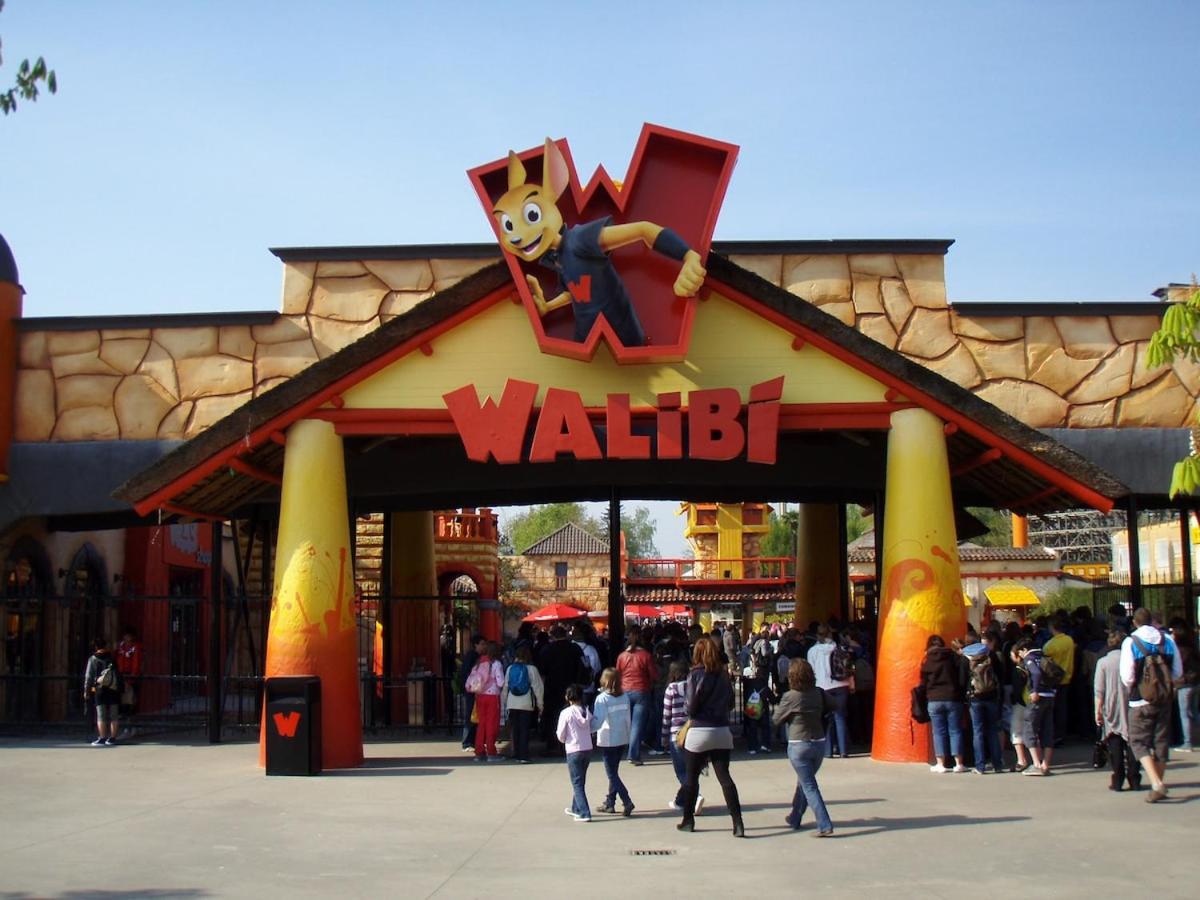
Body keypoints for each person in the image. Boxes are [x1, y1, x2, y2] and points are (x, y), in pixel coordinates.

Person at [676, 636, 745, 837]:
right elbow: (731, 704)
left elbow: (690, 707)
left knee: (691, 779)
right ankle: (738, 822)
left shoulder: (695, 674)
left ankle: (688, 820)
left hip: (699, 729)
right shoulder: (723, 675)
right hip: (722, 730)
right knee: (725, 778)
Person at [1120, 608, 1183, 802]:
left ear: (1135, 622)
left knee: (1138, 741)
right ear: (1152, 621)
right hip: (1164, 699)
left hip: (1140, 700)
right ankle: (1159, 783)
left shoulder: (1131, 642)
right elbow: (1178, 672)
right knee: (1161, 741)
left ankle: (1156, 783)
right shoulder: (1168, 640)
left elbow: (1127, 676)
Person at [773, 658, 833, 836]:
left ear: (792, 677)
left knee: (809, 785)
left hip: (799, 743)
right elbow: (836, 705)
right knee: (804, 781)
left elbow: (776, 720)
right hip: (819, 742)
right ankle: (795, 817)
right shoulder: (819, 693)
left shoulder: (790, 697)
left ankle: (824, 824)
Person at [1094, 629, 1139, 791]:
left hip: (1111, 705)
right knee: (1133, 742)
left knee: (1114, 742)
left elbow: (1099, 690)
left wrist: (1097, 711)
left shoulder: (1103, 662)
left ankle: (1118, 779)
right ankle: (1134, 778)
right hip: (1131, 703)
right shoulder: (1132, 659)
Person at [920, 634, 966, 773]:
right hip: (953, 698)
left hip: (934, 699)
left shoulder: (927, 660)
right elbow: (961, 676)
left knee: (938, 732)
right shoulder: (953, 657)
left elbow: (923, 681)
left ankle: (941, 764)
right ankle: (959, 763)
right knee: (955, 731)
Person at [592, 668, 635, 816]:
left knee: (611, 774)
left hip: (609, 739)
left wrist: (587, 730)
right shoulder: (625, 696)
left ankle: (627, 800)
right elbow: (628, 718)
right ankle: (610, 802)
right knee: (614, 772)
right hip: (622, 737)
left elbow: (598, 721)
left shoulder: (602, 698)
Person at [807, 624, 854, 758]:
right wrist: (851, 684)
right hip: (841, 685)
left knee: (827, 719)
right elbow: (849, 667)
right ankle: (843, 750)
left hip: (823, 687)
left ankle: (828, 751)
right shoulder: (839, 648)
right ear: (830, 634)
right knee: (840, 717)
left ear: (817, 635)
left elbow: (811, 671)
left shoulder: (812, 651)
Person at [538, 625, 586, 756]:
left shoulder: (547, 650)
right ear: (566, 634)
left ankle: (553, 745)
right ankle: (572, 743)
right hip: (572, 687)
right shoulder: (575, 648)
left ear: (552, 636)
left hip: (552, 688)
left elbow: (541, 672)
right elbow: (584, 665)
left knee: (552, 717)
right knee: (573, 715)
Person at [615, 626, 658, 765]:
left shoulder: (622, 656)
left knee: (625, 723)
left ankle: (622, 749)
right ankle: (633, 754)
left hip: (625, 690)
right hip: (641, 690)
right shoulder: (646, 655)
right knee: (637, 725)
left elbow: (617, 674)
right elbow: (654, 675)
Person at [662, 659, 700, 814]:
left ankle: (695, 797)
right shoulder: (694, 686)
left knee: (681, 771)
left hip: (676, 733)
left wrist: (664, 737)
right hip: (693, 730)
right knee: (692, 770)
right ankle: (684, 801)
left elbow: (667, 715)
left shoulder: (671, 689)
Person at [1016, 639, 1056, 776]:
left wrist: (1034, 690)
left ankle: (1036, 764)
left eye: (1020, 652)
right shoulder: (1044, 657)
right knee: (1048, 730)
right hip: (1050, 695)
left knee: (1030, 729)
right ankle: (1045, 765)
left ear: (1024, 649)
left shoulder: (1030, 658)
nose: (1020, 656)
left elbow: (1036, 673)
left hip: (1038, 698)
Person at [964, 635, 1003, 774]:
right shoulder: (991, 656)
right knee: (992, 730)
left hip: (975, 698)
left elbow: (963, 679)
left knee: (978, 731)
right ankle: (997, 764)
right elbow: (1000, 676)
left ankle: (980, 766)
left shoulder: (966, 658)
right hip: (992, 697)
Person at [556, 684, 594, 822]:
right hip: (587, 748)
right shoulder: (586, 711)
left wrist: (564, 740)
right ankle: (575, 808)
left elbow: (561, 734)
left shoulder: (566, 713)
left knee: (577, 783)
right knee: (580, 781)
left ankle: (585, 813)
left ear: (568, 697)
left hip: (573, 749)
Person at [502, 645, 544, 763]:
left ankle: (515, 752)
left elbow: (505, 687)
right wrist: (540, 704)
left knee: (515, 729)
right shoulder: (532, 669)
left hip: (512, 702)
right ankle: (523, 755)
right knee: (524, 729)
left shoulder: (510, 668)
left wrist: (505, 702)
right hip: (526, 703)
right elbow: (538, 688)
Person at [467, 641, 505, 762]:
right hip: (492, 696)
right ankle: (491, 752)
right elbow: (500, 682)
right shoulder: (496, 664)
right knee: (491, 724)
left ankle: (479, 752)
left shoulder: (479, 662)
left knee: (481, 724)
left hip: (480, 695)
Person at [1043, 616, 1076, 745]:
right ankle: (1062, 734)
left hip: (1053, 679)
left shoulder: (1049, 645)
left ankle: (1054, 734)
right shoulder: (1069, 640)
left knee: (1053, 709)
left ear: (1051, 627)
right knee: (1063, 708)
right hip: (1067, 677)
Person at [83, 637, 122, 746]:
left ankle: (102, 738)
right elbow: (118, 673)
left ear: (95, 647)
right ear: (105, 646)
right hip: (113, 688)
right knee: (114, 715)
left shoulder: (93, 659)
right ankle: (113, 738)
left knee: (101, 715)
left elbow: (88, 677)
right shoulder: (112, 658)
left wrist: (86, 691)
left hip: (99, 689)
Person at [1169, 622, 1199, 752]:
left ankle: (1187, 743)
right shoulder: (1192, 648)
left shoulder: (1179, 651)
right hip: (1195, 682)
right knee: (1194, 713)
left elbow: (1177, 668)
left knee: (1185, 714)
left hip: (1184, 684)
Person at [458, 634, 486, 752]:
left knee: (473, 715)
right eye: (482, 644)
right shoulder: (473, 657)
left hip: (473, 689)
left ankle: (472, 741)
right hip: (472, 690)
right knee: (470, 715)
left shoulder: (474, 656)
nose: (484, 646)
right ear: (476, 645)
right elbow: (467, 673)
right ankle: (467, 742)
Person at [115, 626, 143, 738]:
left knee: (130, 704)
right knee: (123, 704)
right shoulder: (121, 647)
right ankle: (129, 728)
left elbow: (136, 664)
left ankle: (130, 728)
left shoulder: (135, 648)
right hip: (121, 677)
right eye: (125, 636)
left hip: (130, 678)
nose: (126, 638)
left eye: (128, 636)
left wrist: (131, 678)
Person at [1009, 642, 1032, 773]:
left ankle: (1021, 760)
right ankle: (1037, 760)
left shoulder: (1018, 669)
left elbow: (1017, 689)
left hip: (1021, 703)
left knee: (1016, 730)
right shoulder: (1032, 665)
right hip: (1033, 702)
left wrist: (1014, 699)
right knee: (1032, 730)